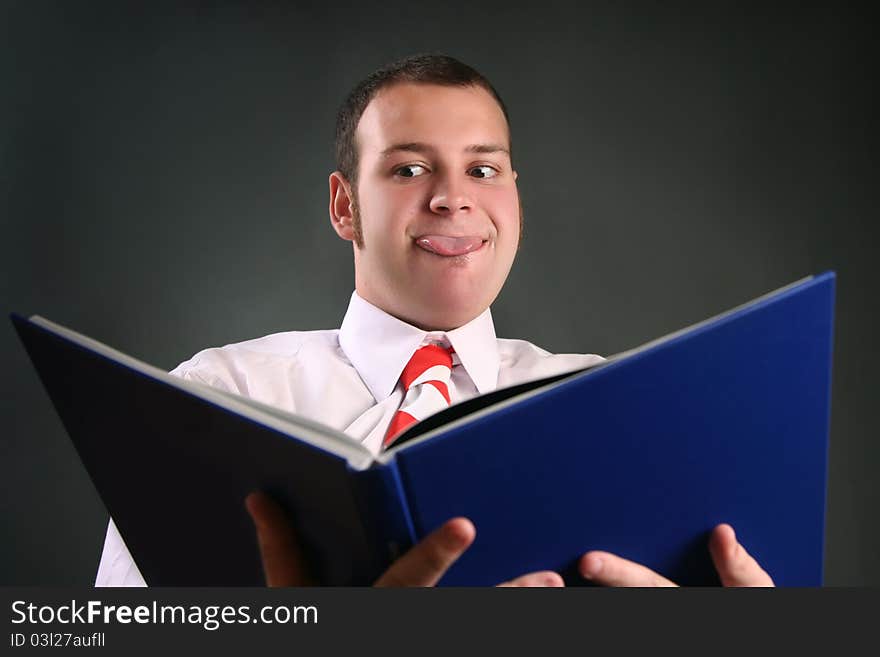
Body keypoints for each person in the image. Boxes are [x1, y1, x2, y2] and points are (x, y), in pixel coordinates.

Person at [96, 53, 773, 587]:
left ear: (515, 197)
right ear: (345, 206)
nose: (453, 197)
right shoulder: (219, 395)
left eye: (484, 169)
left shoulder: (611, 401)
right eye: (410, 168)